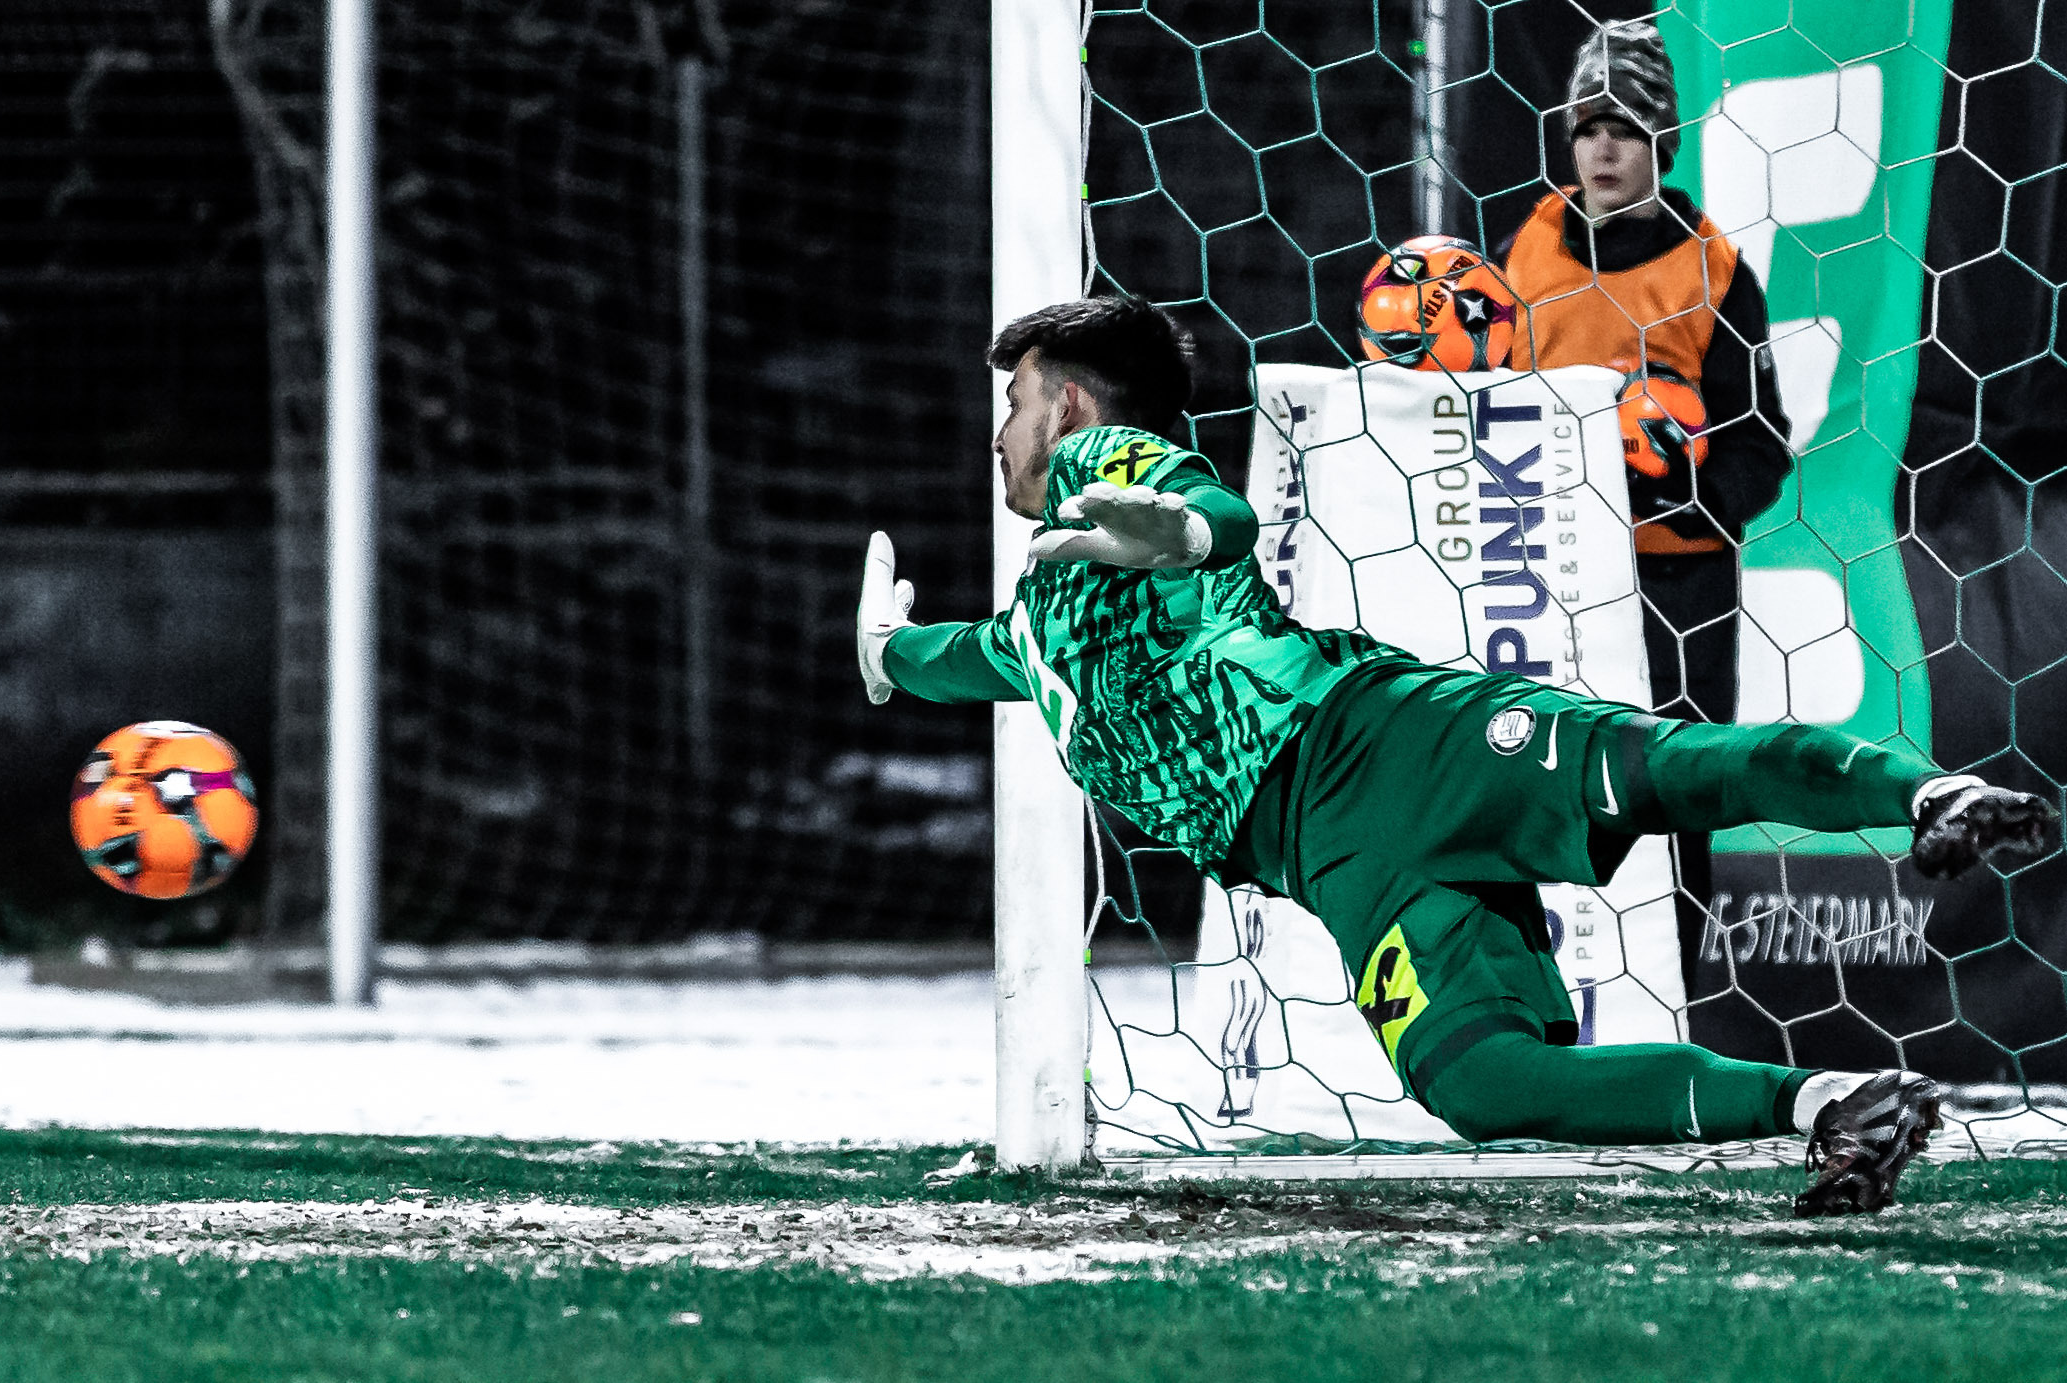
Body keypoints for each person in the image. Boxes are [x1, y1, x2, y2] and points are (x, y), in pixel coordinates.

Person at [857, 294, 2057, 1215]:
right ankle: (1830, 1105)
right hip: (1336, 862)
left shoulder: (1103, 472)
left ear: (1067, 405)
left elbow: (1197, 508)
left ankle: (1928, 793)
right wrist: (887, 650)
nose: (1000, 432)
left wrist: (1176, 528)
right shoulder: (1040, 622)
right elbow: (965, 656)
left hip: (1376, 739)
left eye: (1011, 402)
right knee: (1481, 1084)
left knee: (1655, 766)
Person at [1500, 19, 1791, 993]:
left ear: (1664, 141)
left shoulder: (1711, 271)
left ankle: (1685, 1005)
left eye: (1628, 125)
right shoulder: (1524, 256)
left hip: (1676, 579)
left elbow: (1762, 445)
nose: (1605, 146)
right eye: (1589, 126)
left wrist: (1685, 489)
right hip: (1541, 575)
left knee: (1676, 788)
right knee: (1537, 790)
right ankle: (1539, 1004)